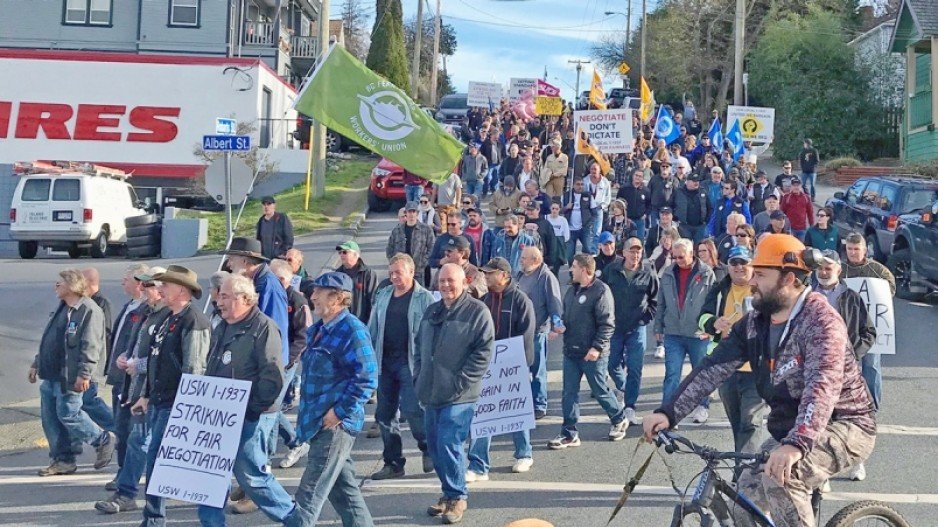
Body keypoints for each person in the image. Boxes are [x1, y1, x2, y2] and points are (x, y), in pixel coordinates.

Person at [643, 234, 877, 527]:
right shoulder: (756, 321)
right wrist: (668, 412)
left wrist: (796, 444)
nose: (752, 281)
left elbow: (822, 388)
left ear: (789, 279)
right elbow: (713, 367)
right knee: (744, 497)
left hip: (845, 424)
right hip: (791, 426)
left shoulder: (821, 322)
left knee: (782, 480)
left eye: (762, 275)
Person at [197, 274, 298, 525]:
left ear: (245, 298)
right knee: (210, 473)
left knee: (251, 474)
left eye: (225, 296)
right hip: (218, 414)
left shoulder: (263, 327)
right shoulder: (222, 325)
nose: (218, 301)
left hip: (252, 415)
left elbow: (273, 375)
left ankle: (295, 518)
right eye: (219, 295)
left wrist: (252, 409)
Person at [292, 273, 378, 527]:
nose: (313, 296)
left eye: (320, 291)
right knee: (345, 494)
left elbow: (367, 378)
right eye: (313, 290)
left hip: (335, 427)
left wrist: (339, 413)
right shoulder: (318, 330)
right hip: (318, 424)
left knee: (307, 498)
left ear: (339, 297)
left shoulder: (353, 330)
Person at [414, 263, 495, 525]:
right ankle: (448, 493)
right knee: (435, 447)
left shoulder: (477, 312)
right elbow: (419, 347)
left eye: (451, 281)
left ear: (464, 282)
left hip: (460, 395)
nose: (446, 285)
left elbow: (483, 352)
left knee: (450, 443)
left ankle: (458, 496)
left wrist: (461, 382)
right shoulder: (432, 311)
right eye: (442, 281)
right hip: (431, 390)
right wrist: (419, 377)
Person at [133, 265, 211, 526]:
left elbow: (194, 367)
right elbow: (156, 360)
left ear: (181, 290)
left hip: (175, 403)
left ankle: (154, 519)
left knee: (157, 461)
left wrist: (187, 406)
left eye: (166, 285)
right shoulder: (169, 317)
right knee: (157, 460)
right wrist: (145, 394)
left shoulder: (193, 320)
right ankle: (154, 516)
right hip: (159, 400)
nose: (161, 289)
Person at [94, 266, 167, 514]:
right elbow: (133, 344)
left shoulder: (173, 317)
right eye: (143, 285)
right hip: (136, 388)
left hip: (157, 394)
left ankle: (131, 494)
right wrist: (125, 357)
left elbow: (169, 360)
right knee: (134, 439)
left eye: (149, 286)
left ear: (162, 289)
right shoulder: (145, 312)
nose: (144, 289)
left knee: (144, 443)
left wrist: (139, 368)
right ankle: (128, 491)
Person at [30, 269, 115, 477]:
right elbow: (50, 340)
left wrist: (84, 374)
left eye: (60, 283)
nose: (56, 286)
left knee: (69, 413)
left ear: (72, 285)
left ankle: (102, 439)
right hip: (51, 374)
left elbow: (91, 345)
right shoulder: (63, 308)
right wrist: (36, 363)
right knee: (51, 419)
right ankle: (63, 460)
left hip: (71, 375)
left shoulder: (89, 310)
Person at [548, 254, 628, 449]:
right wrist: (560, 327)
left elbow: (607, 324)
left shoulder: (601, 291)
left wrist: (597, 347)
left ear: (584, 269)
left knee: (599, 389)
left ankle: (619, 417)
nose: (570, 270)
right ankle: (569, 433)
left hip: (592, 353)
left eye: (574, 266)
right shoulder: (572, 290)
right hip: (571, 350)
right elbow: (567, 316)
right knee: (569, 393)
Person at [368, 254, 436, 480]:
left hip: (411, 363)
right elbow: (372, 330)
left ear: (411, 271)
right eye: (391, 273)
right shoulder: (384, 295)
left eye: (398, 272)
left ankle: (428, 448)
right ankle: (393, 462)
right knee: (384, 415)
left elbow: (433, 333)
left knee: (412, 409)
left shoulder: (424, 298)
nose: (394, 277)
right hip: (385, 363)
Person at [468, 258, 536, 478]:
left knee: (516, 410)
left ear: (504, 275)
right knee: (483, 414)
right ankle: (478, 465)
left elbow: (527, 336)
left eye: (490, 273)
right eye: (485, 273)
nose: (486, 276)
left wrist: (522, 366)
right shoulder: (485, 300)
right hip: (488, 367)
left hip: (513, 368)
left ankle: (524, 454)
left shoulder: (520, 300)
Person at [813, 249, 876, 481]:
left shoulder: (851, 297)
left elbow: (869, 332)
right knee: (822, 418)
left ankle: (857, 463)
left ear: (839, 269)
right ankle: (823, 471)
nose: (823, 271)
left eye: (828, 267)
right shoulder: (809, 296)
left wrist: (854, 355)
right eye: (820, 267)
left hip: (846, 372)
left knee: (850, 419)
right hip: (817, 370)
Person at [698, 246, 768, 455]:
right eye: (734, 263)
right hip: (727, 368)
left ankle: (746, 475)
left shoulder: (762, 289)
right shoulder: (720, 289)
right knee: (737, 423)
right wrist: (713, 323)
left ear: (751, 265)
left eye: (743, 263)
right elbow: (702, 317)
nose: (738, 267)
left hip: (755, 369)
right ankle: (743, 470)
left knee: (750, 422)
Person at [654, 238, 716, 423]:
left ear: (691, 254)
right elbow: (661, 302)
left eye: (681, 257)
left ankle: (702, 406)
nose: (678, 260)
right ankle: (667, 413)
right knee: (672, 374)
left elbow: (713, 303)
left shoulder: (706, 273)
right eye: (675, 257)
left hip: (698, 333)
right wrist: (658, 326)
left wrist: (711, 327)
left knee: (700, 372)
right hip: (673, 332)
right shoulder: (668, 273)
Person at [99, 263, 149, 492]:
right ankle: (123, 473)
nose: (122, 283)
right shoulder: (130, 306)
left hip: (133, 380)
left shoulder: (146, 310)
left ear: (139, 282)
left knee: (132, 433)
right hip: (120, 376)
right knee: (121, 429)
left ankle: (128, 479)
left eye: (126, 279)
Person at [603, 238, 659, 425]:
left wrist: (646, 318)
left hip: (637, 328)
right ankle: (624, 387)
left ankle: (630, 406)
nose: (635, 255)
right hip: (615, 327)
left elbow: (655, 299)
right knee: (611, 365)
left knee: (635, 368)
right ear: (624, 253)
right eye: (632, 251)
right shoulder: (611, 270)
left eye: (638, 251)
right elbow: (601, 293)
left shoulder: (648, 272)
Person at [841, 232, 895, 411]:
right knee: (848, 367)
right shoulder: (841, 269)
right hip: (847, 327)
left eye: (857, 249)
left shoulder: (878, 270)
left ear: (865, 250)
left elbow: (890, 289)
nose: (853, 252)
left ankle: (873, 405)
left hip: (872, 327)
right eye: (850, 249)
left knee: (871, 366)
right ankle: (851, 405)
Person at [269, 259, 312, 470]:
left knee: (270, 407)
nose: (277, 283)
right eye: (273, 278)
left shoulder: (297, 301)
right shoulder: (266, 295)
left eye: (281, 279)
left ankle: (268, 455)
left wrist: (289, 361)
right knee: (268, 407)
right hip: (268, 361)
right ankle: (296, 441)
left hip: (287, 362)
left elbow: (303, 336)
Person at [517, 247, 563, 419]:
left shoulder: (546, 277)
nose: (521, 260)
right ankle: (525, 401)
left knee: (537, 370)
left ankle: (539, 404)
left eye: (524, 258)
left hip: (537, 332)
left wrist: (555, 325)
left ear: (535, 260)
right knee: (522, 370)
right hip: (521, 332)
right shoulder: (521, 275)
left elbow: (555, 304)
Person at [79, 267, 115, 433]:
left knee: (88, 400)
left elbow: (104, 335)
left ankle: (115, 427)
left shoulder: (100, 303)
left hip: (93, 362)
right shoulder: (82, 302)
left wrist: (99, 364)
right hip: (83, 362)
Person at [386, 201, 436, 286]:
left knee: (418, 295)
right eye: (409, 211)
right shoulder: (397, 230)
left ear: (417, 213)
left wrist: (423, 262)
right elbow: (389, 248)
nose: (412, 214)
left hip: (418, 270)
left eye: (414, 211)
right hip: (401, 271)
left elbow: (432, 247)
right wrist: (394, 263)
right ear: (406, 213)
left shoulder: (426, 229)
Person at [335, 240, 378, 324]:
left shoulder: (368, 273)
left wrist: (370, 323)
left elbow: (373, 300)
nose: (341, 255)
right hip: (342, 322)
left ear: (356, 254)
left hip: (362, 322)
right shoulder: (337, 274)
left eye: (345, 252)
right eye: (340, 253)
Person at [563, 177, 595, 260]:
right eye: (577, 184)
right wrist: (566, 207)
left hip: (584, 228)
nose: (580, 186)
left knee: (588, 251)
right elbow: (559, 210)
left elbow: (594, 212)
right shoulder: (567, 195)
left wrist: (590, 223)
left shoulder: (588, 195)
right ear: (573, 185)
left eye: (582, 184)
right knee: (569, 255)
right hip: (570, 229)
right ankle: (572, 272)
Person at [673, 176, 712, 243]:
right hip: (684, 226)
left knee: (699, 247)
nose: (696, 182)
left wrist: (706, 220)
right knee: (685, 247)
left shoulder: (703, 191)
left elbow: (709, 208)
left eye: (697, 181)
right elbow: (672, 205)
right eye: (694, 181)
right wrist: (676, 218)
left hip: (700, 226)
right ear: (687, 181)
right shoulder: (679, 192)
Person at [585, 162, 613, 253]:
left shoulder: (605, 182)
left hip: (599, 209)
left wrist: (602, 206)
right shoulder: (585, 180)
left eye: (595, 169)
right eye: (592, 169)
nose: (593, 171)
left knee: (597, 231)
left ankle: (594, 251)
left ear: (599, 170)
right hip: (587, 209)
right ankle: (587, 249)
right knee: (588, 231)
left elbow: (608, 197)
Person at [256, 196, 294, 260]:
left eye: (269, 204)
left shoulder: (281, 218)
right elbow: (259, 239)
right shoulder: (261, 221)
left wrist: (282, 252)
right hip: (265, 258)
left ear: (274, 205)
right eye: (264, 204)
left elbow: (289, 237)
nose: (266, 207)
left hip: (279, 258)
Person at [616, 169, 651, 240]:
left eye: (640, 176)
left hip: (640, 221)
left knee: (639, 242)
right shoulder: (624, 188)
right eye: (636, 175)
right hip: (627, 220)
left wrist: (645, 214)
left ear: (643, 178)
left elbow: (649, 205)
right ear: (632, 176)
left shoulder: (646, 191)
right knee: (626, 241)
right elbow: (618, 204)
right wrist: (623, 216)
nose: (638, 177)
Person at [545, 202, 570, 276]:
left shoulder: (563, 220)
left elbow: (566, 235)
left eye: (557, 209)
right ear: (550, 209)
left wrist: (559, 241)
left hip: (558, 246)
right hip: (548, 244)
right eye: (553, 208)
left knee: (555, 268)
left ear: (559, 210)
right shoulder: (545, 218)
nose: (554, 211)